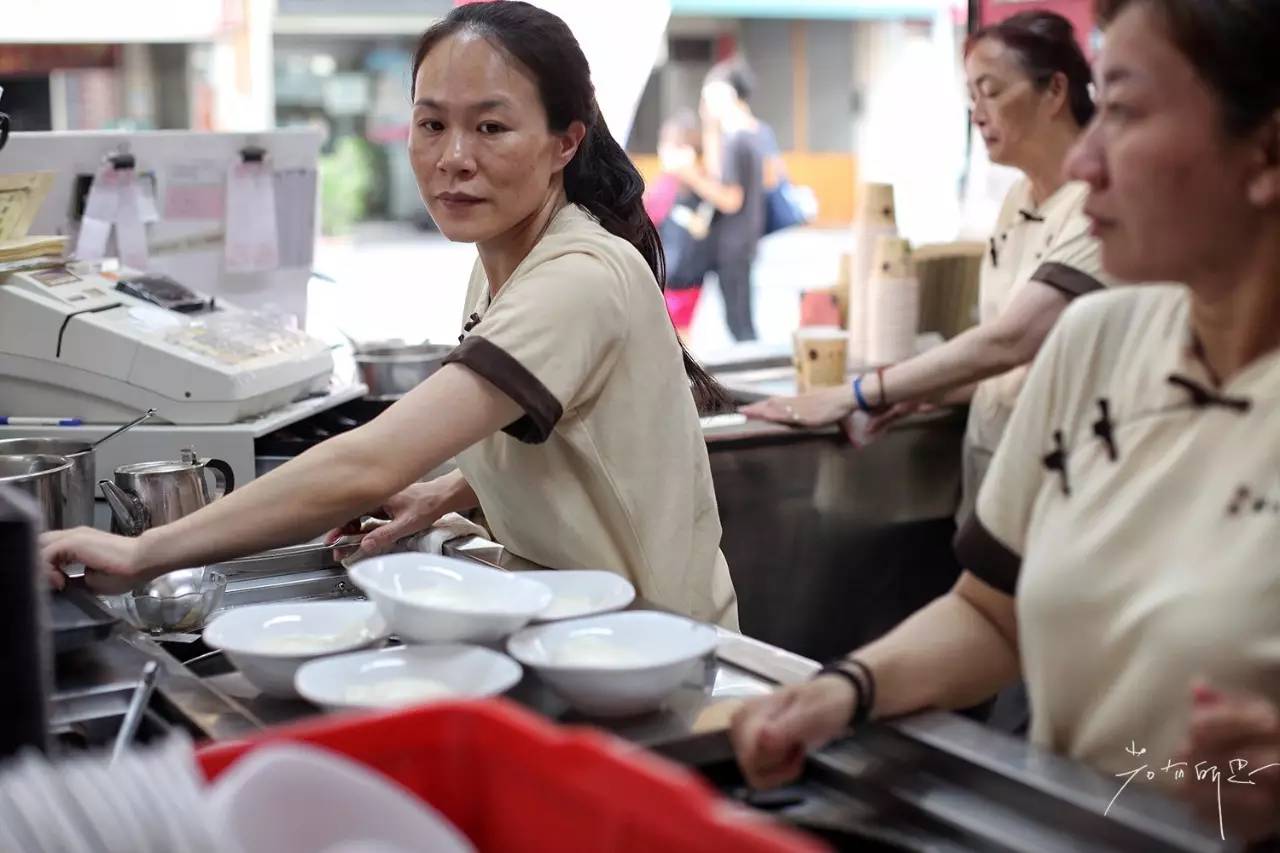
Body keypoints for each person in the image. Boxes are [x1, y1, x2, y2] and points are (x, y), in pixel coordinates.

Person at [732, 0, 1280, 841]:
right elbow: (994, 612)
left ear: (1266, 150)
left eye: (1126, 111)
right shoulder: (1097, 341)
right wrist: (846, 687)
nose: (1089, 158)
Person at [41, 0, 740, 630]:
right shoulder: (506, 260)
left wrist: (145, 550)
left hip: (660, 656)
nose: (453, 158)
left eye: (490, 126)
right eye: (432, 123)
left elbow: (367, 463)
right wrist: (445, 493)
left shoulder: (578, 277)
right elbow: (577, 434)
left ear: (564, 143)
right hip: (587, 635)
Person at [744, 11, 1108, 523]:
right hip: (994, 485)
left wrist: (857, 393)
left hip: (1061, 490)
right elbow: (1007, 366)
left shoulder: (1100, 207)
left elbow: (1012, 339)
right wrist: (922, 390)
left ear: (1054, 92)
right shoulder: (1017, 201)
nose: (978, 114)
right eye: (971, 97)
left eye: (993, 91)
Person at [667, 60, 770, 342]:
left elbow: (730, 199)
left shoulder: (737, 139)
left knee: (740, 323)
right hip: (743, 239)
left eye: (710, 94)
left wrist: (688, 173)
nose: (706, 101)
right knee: (739, 319)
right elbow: (720, 175)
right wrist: (710, 127)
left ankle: (753, 374)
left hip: (734, 243)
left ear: (727, 93)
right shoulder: (752, 133)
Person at [645, 110, 716, 339]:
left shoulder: (677, 185)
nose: (664, 153)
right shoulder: (692, 183)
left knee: (675, 339)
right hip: (684, 276)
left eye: (672, 147)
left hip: (677, 277)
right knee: (679, 338)